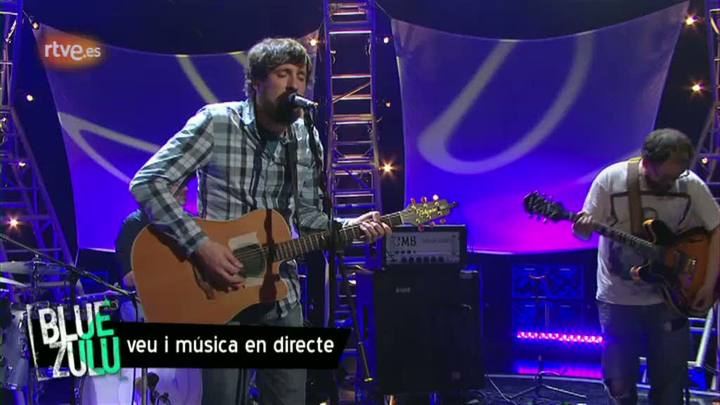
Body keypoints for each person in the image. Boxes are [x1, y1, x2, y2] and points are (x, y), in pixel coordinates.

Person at [129, 37, 391, 405]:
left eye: (301, 76)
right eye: (283, 74)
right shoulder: (217, 122)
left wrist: (352, 227)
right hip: (218, 293)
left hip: (280, 294)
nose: (294, 85)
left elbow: (310, 219)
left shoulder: (305, 137)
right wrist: (200, 246)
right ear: (256, 81)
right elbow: (148, 182)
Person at [573, 128, 720, 404]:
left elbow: (717, 228)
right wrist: (582, 227)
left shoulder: (688, 184)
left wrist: (709, 283)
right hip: (618, 297)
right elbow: (582, 233)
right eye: (664, 177)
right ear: (647, 161)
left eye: (676, 176)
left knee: (670, 383)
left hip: (670, 299)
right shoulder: (611, 180)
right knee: (619, 383)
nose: (670, 183)